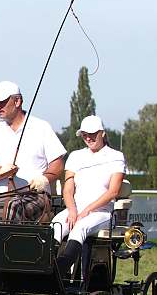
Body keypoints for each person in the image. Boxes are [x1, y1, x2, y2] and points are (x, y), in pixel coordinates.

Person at [0, 80, 66, 223]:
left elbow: (57, 164)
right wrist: (2, 170)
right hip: (0, 197)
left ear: (17, 101)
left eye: (2, 102)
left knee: (11, 209)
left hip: (34, 196)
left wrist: (44, 179)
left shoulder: (41, 127)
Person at [51, 115, 127, 279]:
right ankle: (46, 266)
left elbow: (113, 192)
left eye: (92, 134)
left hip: (102, 212)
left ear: (102, 133)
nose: (88, 138)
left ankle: (60, 270)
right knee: (56, 225)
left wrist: (87, 210)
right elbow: (68, 189)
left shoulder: (116, 157)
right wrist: (72, 210)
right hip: (76, 208)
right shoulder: (75, 156)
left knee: (80, 227)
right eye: (84, 135)